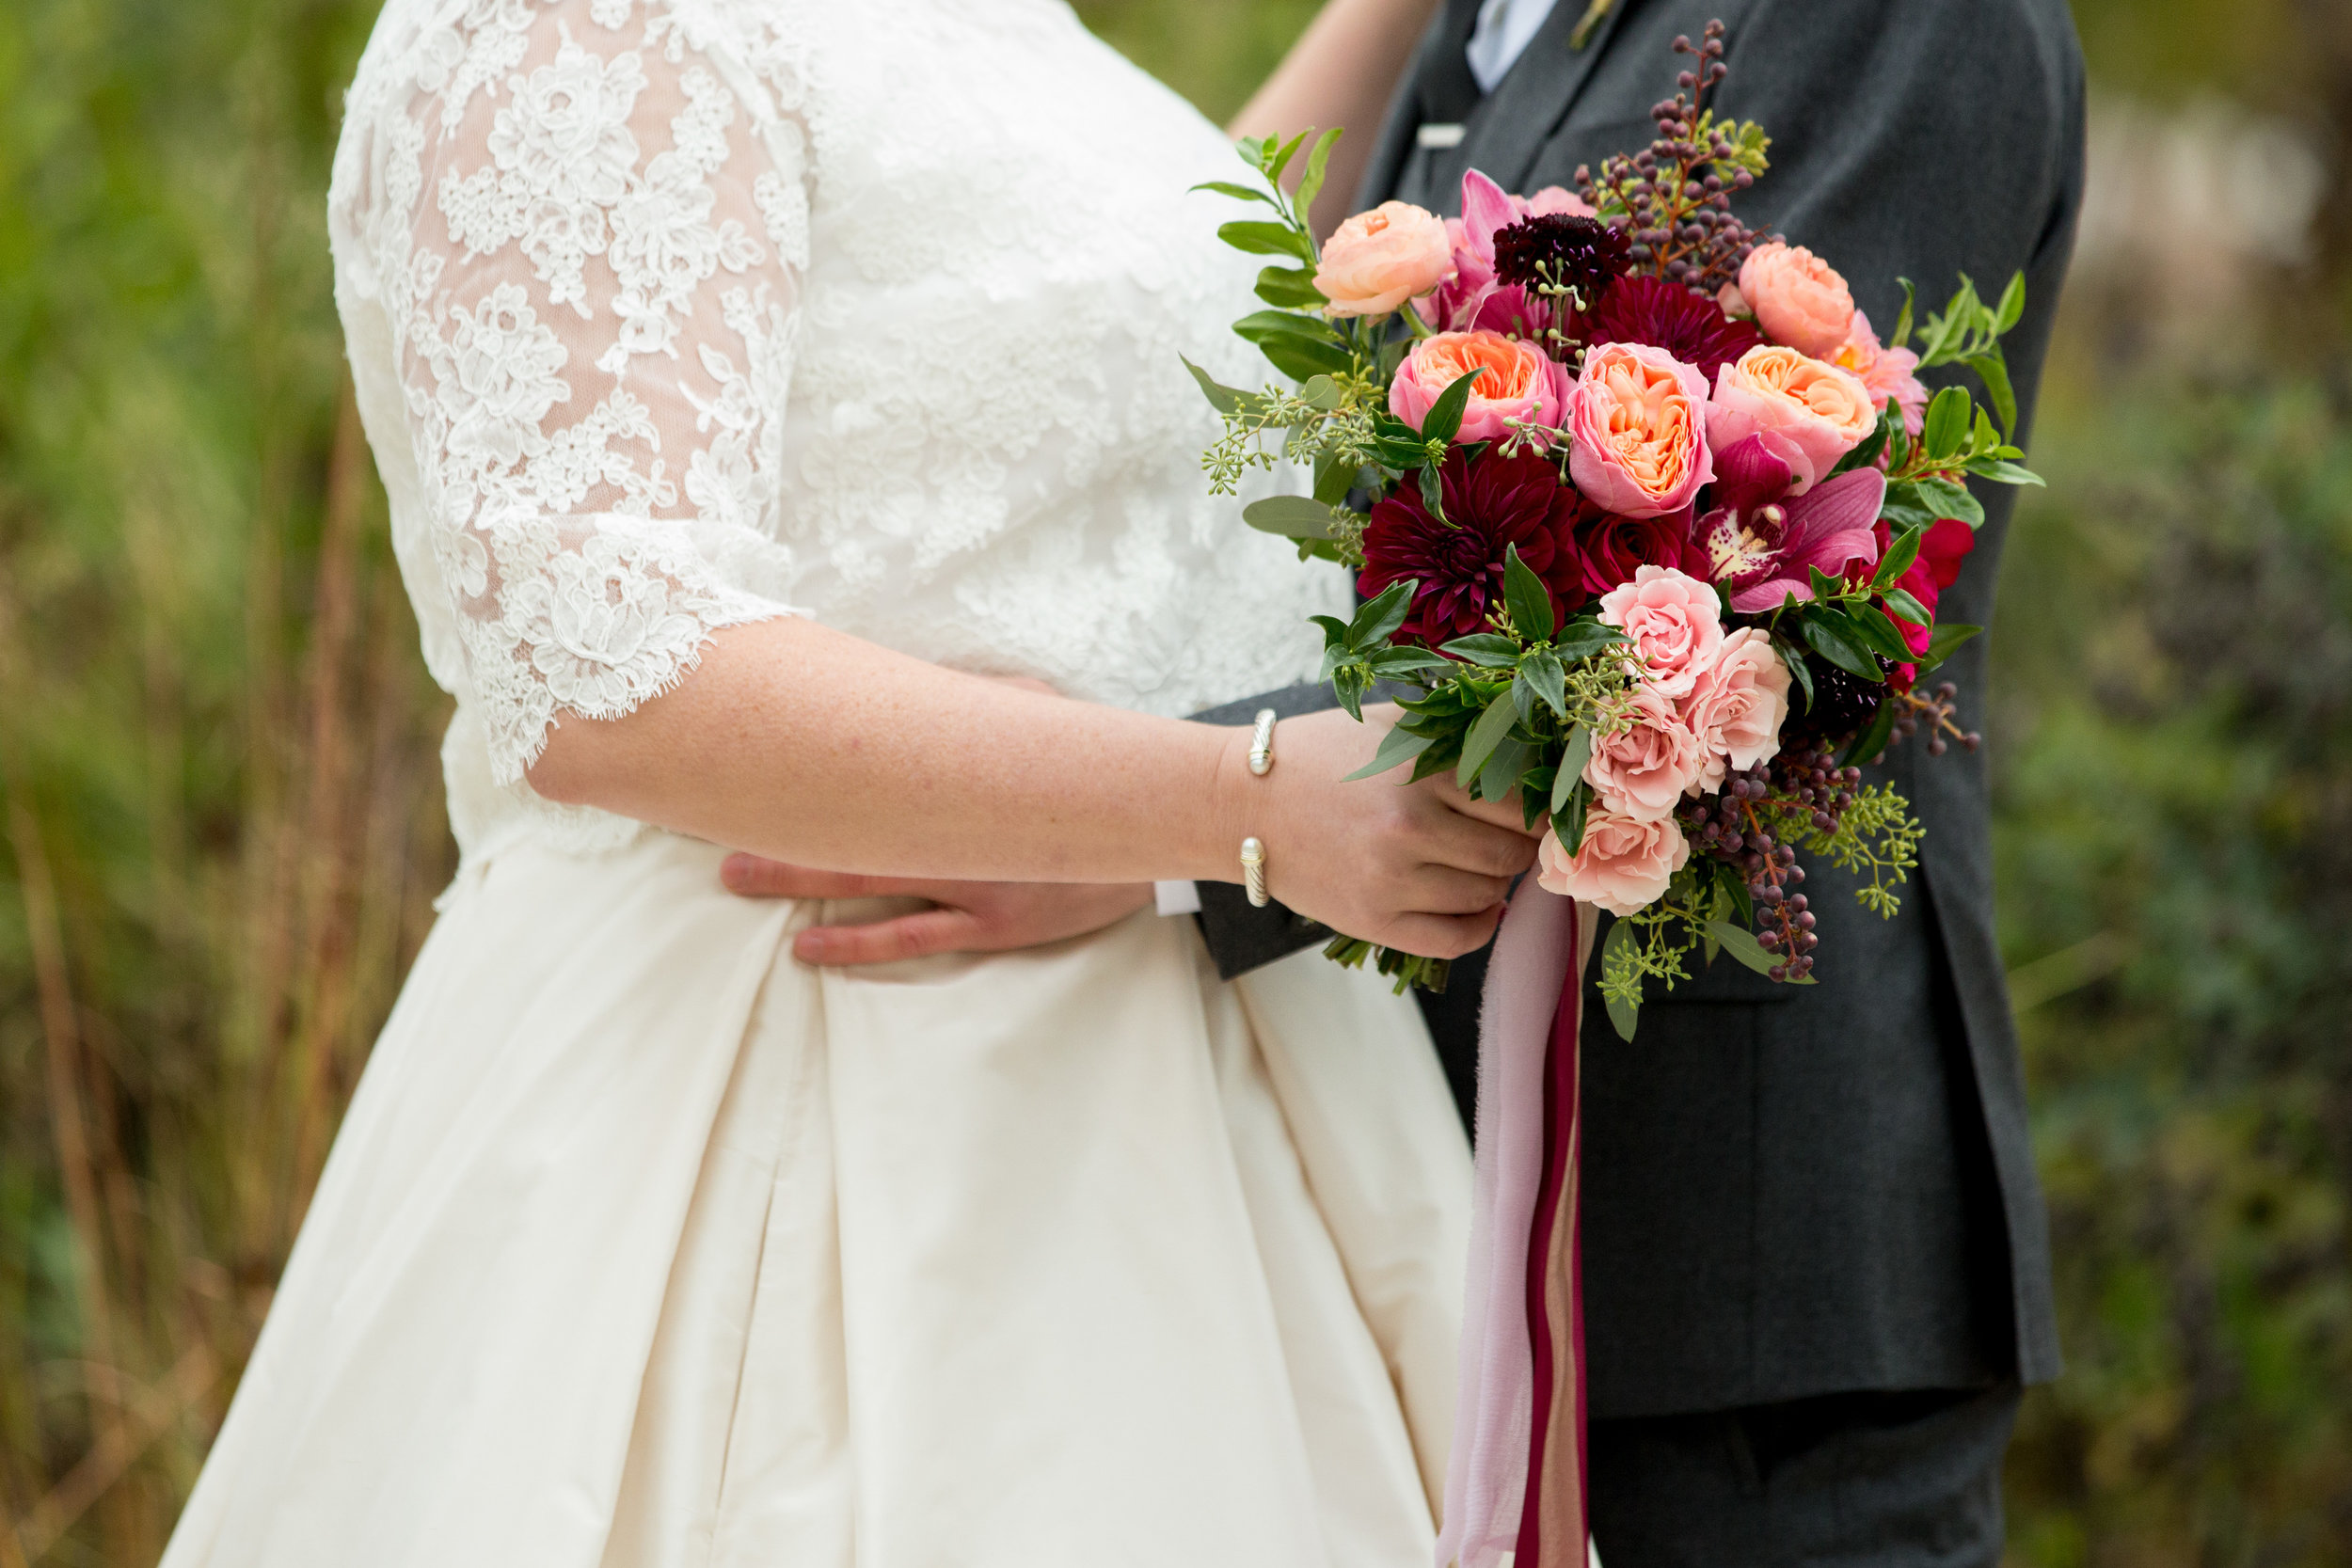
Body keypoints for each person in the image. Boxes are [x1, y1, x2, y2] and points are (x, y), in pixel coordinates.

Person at [154, 3, 1539, 1563]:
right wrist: (1250, 801)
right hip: (815, 1079)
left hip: (1212, 1127)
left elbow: (1097, 324)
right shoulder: (578, 25)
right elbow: (600, 657)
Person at [736, 1, 2088, 1564]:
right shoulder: (1461, 24)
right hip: (1411, 1216)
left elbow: (1749, 593)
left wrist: (1164, 827)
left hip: (1722, 1277)